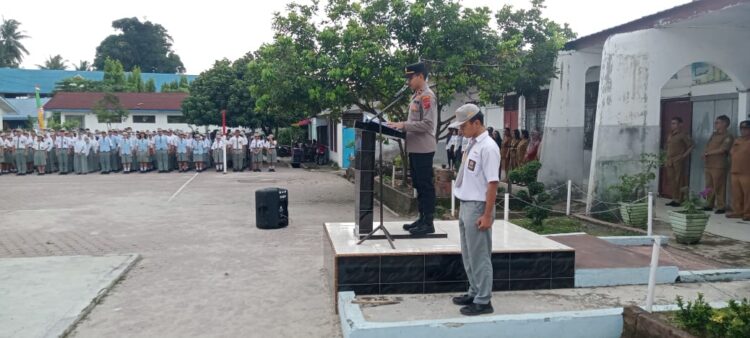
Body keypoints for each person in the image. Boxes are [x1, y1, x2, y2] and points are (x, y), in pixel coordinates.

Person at [448, 104, 500, 316]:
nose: (460, 130)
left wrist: (487, 215)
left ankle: (483, 300)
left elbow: (493, 183)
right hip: (466, 204)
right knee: (468, 254)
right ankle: (474, 290)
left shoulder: (488, 147)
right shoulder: (472, 144)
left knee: (479, 255)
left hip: (478, 206)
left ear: (476, 123)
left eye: (464, 125)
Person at [387, 62, 438, 236]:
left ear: (420, 76)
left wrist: (404, 125)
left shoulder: (427, 97)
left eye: (410, 77)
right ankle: (422, 218)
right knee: (417, 184)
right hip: (415, 148)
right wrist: (399, 127)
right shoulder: (416, 96)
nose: (408, 81)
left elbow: (427, 124)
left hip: (423, 148)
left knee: (425, 186)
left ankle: (428, 222)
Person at [703, 115, 734, 214]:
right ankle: (709, 204)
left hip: (719, 165)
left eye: (718, 122)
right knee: (709, 185)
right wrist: (705, 153)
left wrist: (708, 153)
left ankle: (721, 206)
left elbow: (723, 149)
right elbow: (708, 145)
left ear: (724, 124)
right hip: (709, 164)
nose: (715, 124)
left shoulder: (728, 136)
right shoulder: (714, 134)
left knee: (719, 186)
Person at [665, 117, 694, 207]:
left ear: (680, 124)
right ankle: (674, 198)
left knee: (679, 180)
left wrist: (683, 156)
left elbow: (691, 146)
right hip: (670, 160)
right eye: (672, 123)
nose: (672, 125)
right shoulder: (670, 134)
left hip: (678, 160)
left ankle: (680, 200)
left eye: (674, 123)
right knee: (672, 180)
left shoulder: (683, 134)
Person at [728, 120, 750, 221]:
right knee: (736, 193)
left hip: (747, 171)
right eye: (741, 128)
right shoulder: (737, 140)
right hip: (735, 170)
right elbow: (732, 152)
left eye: (746, 129)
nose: (743, 131)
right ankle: (737, 211)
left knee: (747, 193)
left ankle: (747, 213)